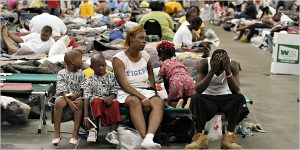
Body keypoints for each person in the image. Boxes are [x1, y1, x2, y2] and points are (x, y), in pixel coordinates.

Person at [185, 49, 249, 149]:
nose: (219, 72)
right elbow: (198, 90)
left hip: (225, 98)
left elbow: (236, 91)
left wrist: (227, 70)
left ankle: (228, 137)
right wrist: (212, 71)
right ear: (211, 62)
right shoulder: (203, 64)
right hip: (207, 98)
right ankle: (200, 138)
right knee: (196, 98)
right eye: (218, 69)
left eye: (221, 69)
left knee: (240, 99)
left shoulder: (233, 65)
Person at [112, 26, 164, 149]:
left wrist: (153, 91)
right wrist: (143, 98)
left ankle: (149, 138)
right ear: (131, 39)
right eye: (141, 38)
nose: (144, 41)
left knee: (158, 102)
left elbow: (150, 72)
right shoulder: (119, 59)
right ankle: (143, 137)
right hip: (126, 91)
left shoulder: (145, 55)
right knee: (135, 102)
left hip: (145, 90)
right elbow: (124, 85)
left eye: (145, 39)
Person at [83, 54, 122, 145]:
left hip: (108, 101)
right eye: (98, 66)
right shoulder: (90, 80)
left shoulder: (111, 77)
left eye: (103, 65)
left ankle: (112, 133)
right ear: (92, 67)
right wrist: (85, 116)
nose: (101, 68)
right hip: (96, 103)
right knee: (96, 102)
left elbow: (114, 90)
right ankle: (93, 130)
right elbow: (86, 96)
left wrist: (111, 97)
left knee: (115, 104)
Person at [52, 50, 85, 146]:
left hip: (76, 96)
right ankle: (57, 133)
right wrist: (69, 102)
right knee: (58, 102)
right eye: (80, 59)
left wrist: (77, 95)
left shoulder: (81, 74)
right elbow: (62, 89)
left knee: (79, 103)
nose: (82, 61)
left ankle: (75, 134)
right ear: (73, 61)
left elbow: (83, 88)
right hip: (64, 96)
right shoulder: (61, 73)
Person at [156, 40, 195, 108]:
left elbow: (166, 83)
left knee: (172, 102)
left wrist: (169, 98)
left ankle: (177, 104)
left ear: (160, 55)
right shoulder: (179, 62)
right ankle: (188, 101)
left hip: (176, 81)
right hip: (189, 80)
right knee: (187, 96)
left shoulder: (164, 64)